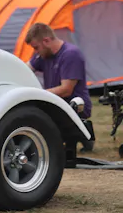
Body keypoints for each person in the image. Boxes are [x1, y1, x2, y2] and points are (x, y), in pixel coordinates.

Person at [25, 22, 95, 150]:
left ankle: (82, 133)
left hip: (74, 104)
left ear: (46, 41)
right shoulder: (43, 54)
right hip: (55, 103)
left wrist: (37, 95)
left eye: (36, 47)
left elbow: (66, 90)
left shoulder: (71, 54)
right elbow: (25, 69)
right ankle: (81, 136)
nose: (36, 52)